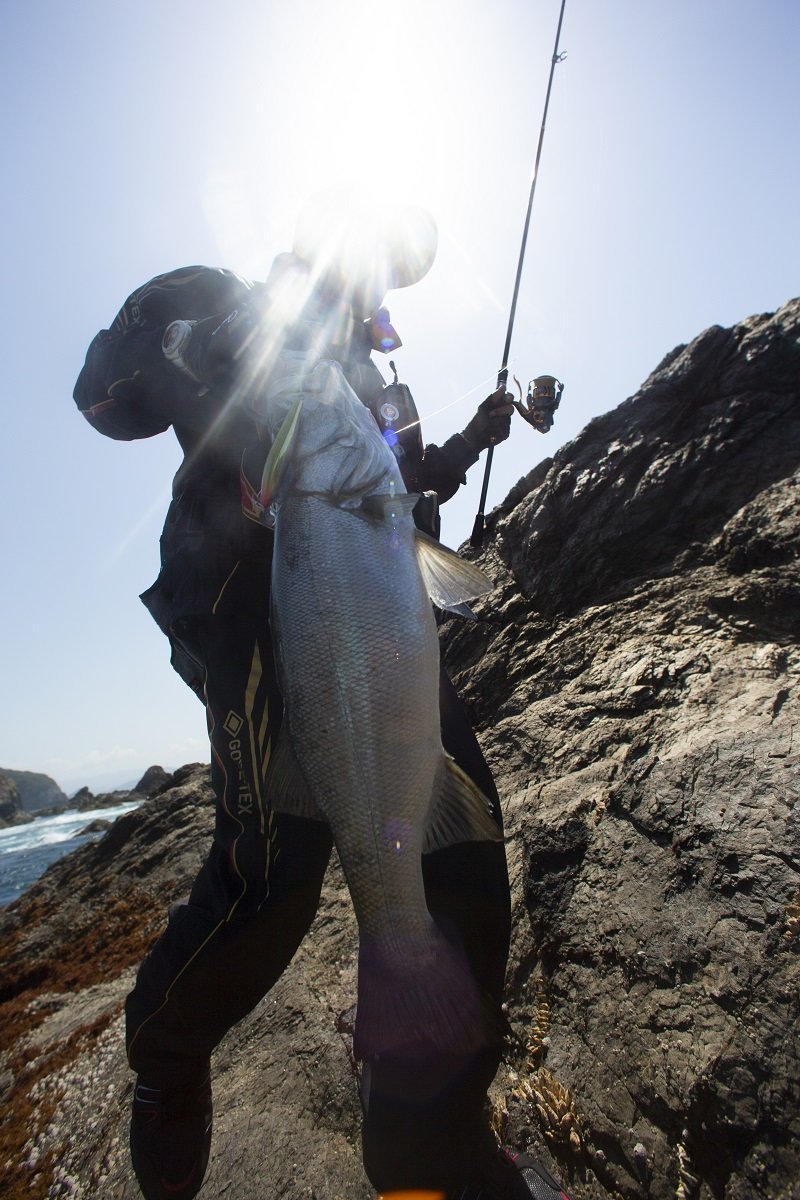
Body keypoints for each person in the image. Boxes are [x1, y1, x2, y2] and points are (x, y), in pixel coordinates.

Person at [74, 197, 569, 1200]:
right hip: (251, 633)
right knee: (272, 887)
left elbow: (404, 482)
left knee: (461, 852)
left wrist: (477, 433)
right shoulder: (222, 309)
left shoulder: (382, 391)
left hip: (381, 634)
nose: (376, 275)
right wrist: (194, 345)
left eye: (395, 268)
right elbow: (101, 395)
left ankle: (426, 1141)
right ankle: (166, 1055)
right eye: (372, 245)